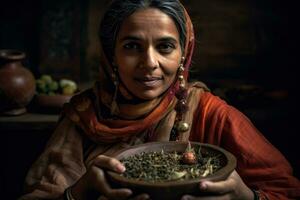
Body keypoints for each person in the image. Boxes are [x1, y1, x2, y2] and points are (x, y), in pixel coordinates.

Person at [19, 0, 300, 200]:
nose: (149, 63)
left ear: (183, 55)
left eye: (165, 46)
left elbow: (286, 190)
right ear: (111, 55)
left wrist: (246, 197)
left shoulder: (210, 114)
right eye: (131, 47)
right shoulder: (83, 115)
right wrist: (78, 193)